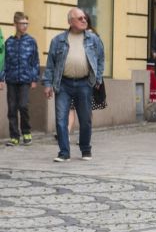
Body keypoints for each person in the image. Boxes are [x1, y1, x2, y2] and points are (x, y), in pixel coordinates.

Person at [43, 8, 105, 162]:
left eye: (84, 17)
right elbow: (50, 64)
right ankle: (64, 152)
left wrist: (97, 78)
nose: (84, 20)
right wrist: (47, 84)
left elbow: (101, 59)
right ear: (70, 21)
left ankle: (85, 149)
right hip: (63, 83)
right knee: (60, 119)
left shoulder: (93, 39)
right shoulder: (58, 40)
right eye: (80, 18)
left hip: (85, 83)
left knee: (85, 119)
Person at [2, 12, 40, 145]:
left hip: (25, 79)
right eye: (22, 23)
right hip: (11, 79)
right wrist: (1, 79)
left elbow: (35, 61)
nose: (25, 26)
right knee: (12, 108)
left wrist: (34, 78)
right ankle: (14, 136)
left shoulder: (31, 41)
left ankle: (26, 132)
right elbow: (4, 61)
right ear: (15, 24)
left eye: (26, 23)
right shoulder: (9, 42)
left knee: (23, 106)